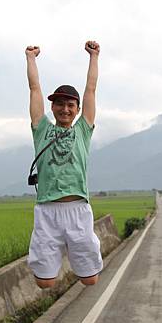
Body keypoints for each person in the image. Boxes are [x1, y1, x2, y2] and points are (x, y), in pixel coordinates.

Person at [24, 41, 102, 289]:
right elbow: (34, 88)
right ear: (52, 107)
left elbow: (90, 89)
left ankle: (74, 250)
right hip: (47, 212)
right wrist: (31, 58)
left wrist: (94, 56)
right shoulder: (42, 129)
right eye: (59, 104)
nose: (65, 109)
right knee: (44, 283)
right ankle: (58, 252)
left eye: (70, 105)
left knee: (90, 280)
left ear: (78, 109)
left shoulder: (83, 129)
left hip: (78, 209)